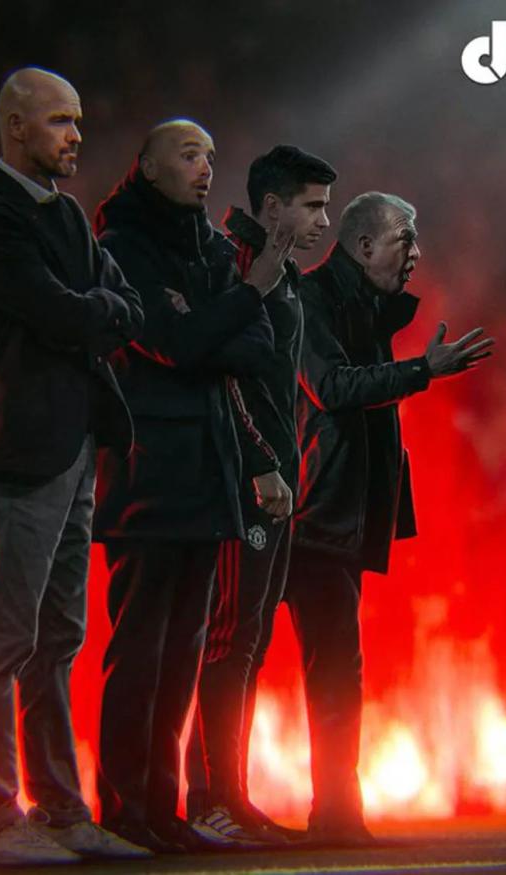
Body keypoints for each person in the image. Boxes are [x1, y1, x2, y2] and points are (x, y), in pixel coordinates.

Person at [0, 67, 150, 867]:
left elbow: (122, 305)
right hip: (24, 453)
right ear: (16, 126)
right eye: (61, 120)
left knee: (57, 639)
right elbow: (68, 313)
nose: (76, 135)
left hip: (72, 450)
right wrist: (94, 309)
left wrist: (92, 309)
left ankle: (62, 812)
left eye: (78, 120)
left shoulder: (64, 213)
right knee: (6, 644)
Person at [93, 119, 294, 852]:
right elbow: (170, 342)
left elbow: (254, 347)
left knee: (183, 652)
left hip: (209, 470)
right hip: (148, 474)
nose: (206, 167)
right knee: (140, 649)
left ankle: (163, 810)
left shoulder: (208, 247)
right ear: (148, 166)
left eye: (210, 155)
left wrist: (210, 320)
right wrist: (243, 298)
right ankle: (124, 810)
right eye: (188, 155)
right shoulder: (122, 246)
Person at [287, 191, 494, 844]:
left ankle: (336, 813)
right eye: (407, 238)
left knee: (334, 668)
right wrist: (423, 369)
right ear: (365, 245)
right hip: (301, 512)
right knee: (240, 660)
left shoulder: (364, 307)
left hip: (331, 511)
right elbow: (333, 387)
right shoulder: (310, 298)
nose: (417, 253)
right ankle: (214, 804)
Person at [184, 145, 337, 843]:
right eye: (312, 206)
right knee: (230, 638)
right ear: (271, 207)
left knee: (250, 639)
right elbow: (226, 377)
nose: (324, 220)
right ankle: (212, 801)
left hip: (278, 483)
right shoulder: (236, 266)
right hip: (247, 484)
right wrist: (258, 464)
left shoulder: (284, 272)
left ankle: (228, 798)